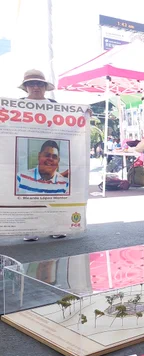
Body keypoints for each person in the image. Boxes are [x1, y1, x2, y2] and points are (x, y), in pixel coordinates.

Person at [17, 69, 66, 242]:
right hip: (22, 150)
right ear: (26, 87)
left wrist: (84, 116)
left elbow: (68, 122)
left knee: (53, 191)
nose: (35, 87)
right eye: (31, 83)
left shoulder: (54, 104)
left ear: (45, 87)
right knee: (28, 191)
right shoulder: (16, 105)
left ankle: (56, 226)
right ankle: (31, 228)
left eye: (39, 83)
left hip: (50, 147)